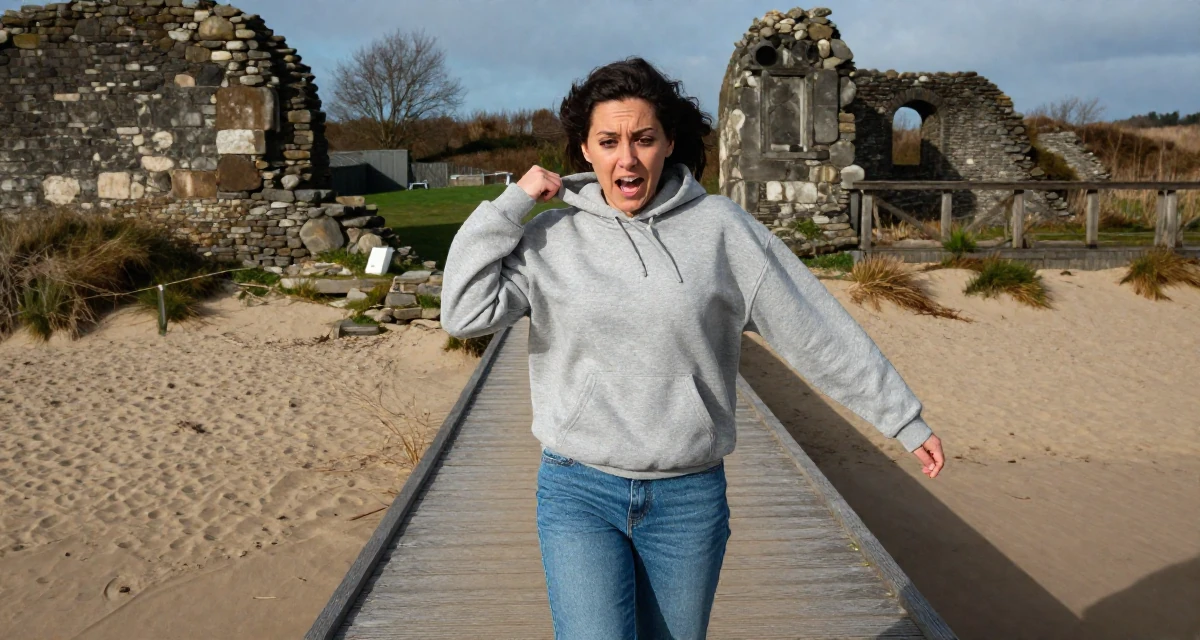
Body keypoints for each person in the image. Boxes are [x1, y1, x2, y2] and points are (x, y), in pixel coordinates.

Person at [439, 57, 945, 640]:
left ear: (668, 143)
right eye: (608, 141)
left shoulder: (722, 230)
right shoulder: (550, 239)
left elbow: (814, 328)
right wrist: (511, 205)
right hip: (579, 488)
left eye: (643, 139)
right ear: (584, 150)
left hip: (687, 498)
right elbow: (464, 312)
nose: (627, 158)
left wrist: (901, 418)